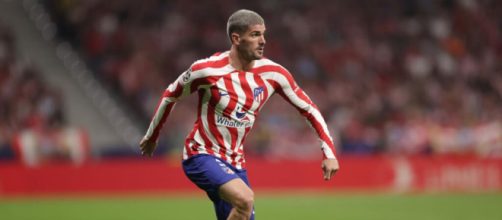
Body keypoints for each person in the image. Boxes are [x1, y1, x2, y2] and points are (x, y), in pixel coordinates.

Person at [140, 9, 340, 220]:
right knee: (245, 200)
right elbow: (171, 94)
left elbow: (309, 109)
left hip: (236, 164)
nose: (262, 40)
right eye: (255, 35)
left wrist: (329, 152)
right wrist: (153, 135)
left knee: (243, 213)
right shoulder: (207, 70)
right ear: (236, 38)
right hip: (201, 154)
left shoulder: (274, 74)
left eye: (263, 34)